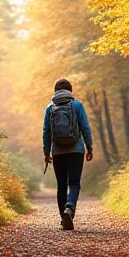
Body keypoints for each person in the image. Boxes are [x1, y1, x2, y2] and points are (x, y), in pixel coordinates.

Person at [43, 78, 93, 230]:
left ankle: (63, 217)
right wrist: (89, 147)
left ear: (55, 91)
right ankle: (69, 208)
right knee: (74, 183)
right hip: (76, 150)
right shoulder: (77, 105)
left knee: (61, 186)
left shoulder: (50, 108)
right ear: (70, 91)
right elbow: (85, 127)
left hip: (57, 151)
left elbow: (46, 132)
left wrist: (46, 153)